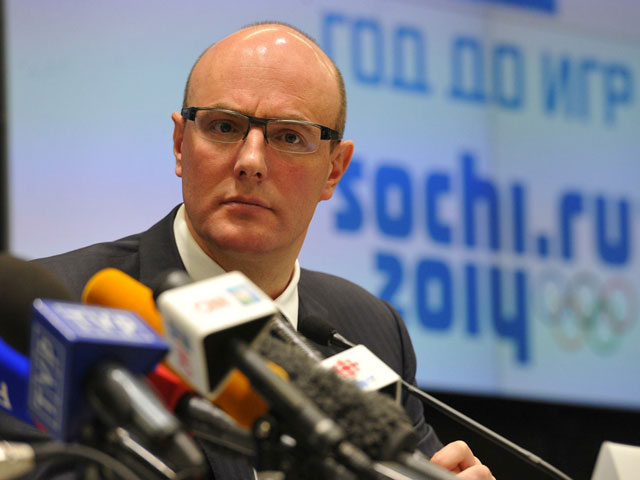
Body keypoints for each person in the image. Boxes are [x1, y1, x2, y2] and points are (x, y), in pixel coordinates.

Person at [36, 22, 494, 480]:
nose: (250, 162)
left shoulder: (371, 330)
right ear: (179, 145)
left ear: (334, 170)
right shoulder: (56, 309)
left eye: (290, 137)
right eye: (224, 126)